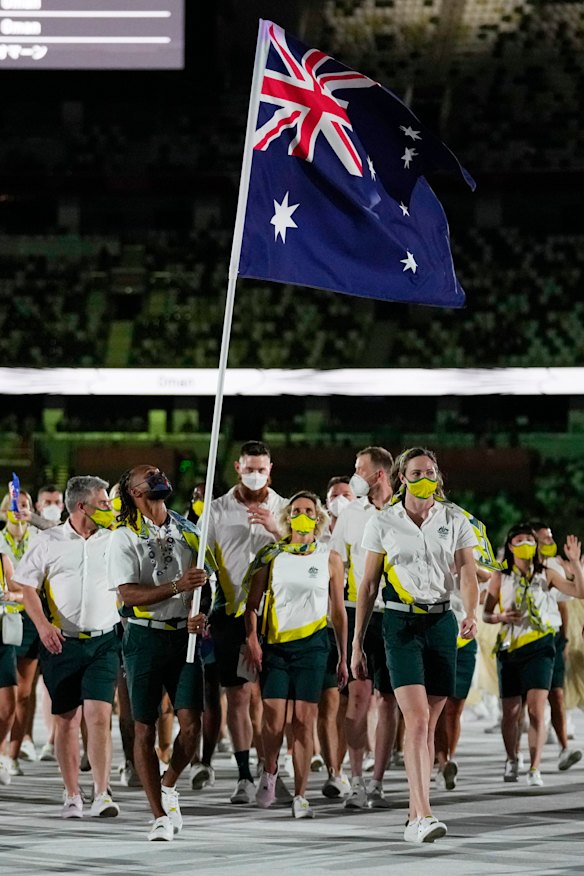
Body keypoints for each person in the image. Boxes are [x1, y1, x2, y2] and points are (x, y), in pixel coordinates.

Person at [353, 447, 480, 844]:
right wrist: (356, 642)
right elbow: (368, 585)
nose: (424, 478)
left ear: (437, 476)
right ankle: (423, 814)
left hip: (442, 622)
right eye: (416, 472)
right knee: (418, 719)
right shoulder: (382, 523)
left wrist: (471, 611)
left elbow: (468, 573)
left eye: (430, 472)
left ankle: (414, 812)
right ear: (401, 477)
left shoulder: (455, 518)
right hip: (400, 622)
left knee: (429, 724)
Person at [108, 465, 210, 842]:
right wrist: (175, 586)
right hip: (144, 639)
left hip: (184, 637)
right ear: (133, 491)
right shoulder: (123, 536)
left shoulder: (188, 529)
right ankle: (158, 817)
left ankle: (169, 785)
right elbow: (128, 594)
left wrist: (203, 614)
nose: (158, 475)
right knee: (144, 726)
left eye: (159, 471)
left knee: (192, 726)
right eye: (148, 474)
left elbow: (204, 584)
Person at [14, 476, 121, 819]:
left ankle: (102, 793)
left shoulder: (114, 538)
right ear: (81, 506)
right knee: (67, 721)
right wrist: (43, 626)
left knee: (99, 715)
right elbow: (26, 584)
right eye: (103, 503)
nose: (109, 508)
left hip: (105, 639)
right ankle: (73, 793)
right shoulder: (50, 541)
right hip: (62, 643)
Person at [243, 491, 348, 818]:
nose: (303, 515)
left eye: (309, 510)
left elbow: (339, 611)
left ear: (318, 517)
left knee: (304, 721)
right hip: (276, 648)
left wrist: (344, 655)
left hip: (314, 645)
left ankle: (301, 795)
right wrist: (253, 641)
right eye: (297, 510)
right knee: (274, 720)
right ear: (288, 516)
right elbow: (251, 607)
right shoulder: (271, 554)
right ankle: (270, 769)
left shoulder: (329, 558)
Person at [207, 440, 288, 804]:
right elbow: (199, 565)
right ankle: (243, 774)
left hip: (278, 617)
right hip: (231, 613)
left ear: (271, 470)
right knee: (237, 696)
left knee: (270, 700)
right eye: (250, 468)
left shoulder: (285, 508)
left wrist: (277, 529)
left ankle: (269, 770)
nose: (256, 475)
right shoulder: (216, 511)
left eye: (262, 469)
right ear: (237, 468)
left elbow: (308, 551)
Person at [484, 524, 584, 786]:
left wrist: (574, 563)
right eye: (521, 539)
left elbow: (579, 592)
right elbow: (486, 613)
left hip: (541, 647)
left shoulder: (547, 574)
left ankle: (535, 767)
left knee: (537, 710)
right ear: (510, 545)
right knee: (511, 713)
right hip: (509, 648)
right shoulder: (500, 577)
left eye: (530, 539)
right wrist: (500, 616)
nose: (527, 543)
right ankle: (511, 758)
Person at [330, 447, 398, 810]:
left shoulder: (405, 512)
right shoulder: (350, 514)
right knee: (357, 699)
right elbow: (337, 566)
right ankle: (355, 779)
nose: (354, 474)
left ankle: (377, 781)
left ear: (380, 474)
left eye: (359, 469)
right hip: (360, 612)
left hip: (397, 613)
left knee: (388, 701)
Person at [531, 521, 582, 771]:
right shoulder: (516, 569)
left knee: (557, 695)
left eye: (551, 538)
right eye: (544, 539)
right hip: (523, 642)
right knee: (523, 705)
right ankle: (519, 758)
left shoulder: (552, 568)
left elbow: (569, 599)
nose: (550, 543)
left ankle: (563, 748)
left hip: (551, 640)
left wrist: (564, 638)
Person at [317, 476, 355, 798]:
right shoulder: (319, 534)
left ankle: (347, 765)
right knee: (329, 701)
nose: (340, 499)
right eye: (334, 495)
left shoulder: (367, 526)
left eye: (346, 494)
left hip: (359, 618)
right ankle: (334, 769)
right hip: (324, 624)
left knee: (352, 703)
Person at [0, 489, 40, 773]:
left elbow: (35, 581)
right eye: (14, 505)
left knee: (25, 692)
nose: (19, 510)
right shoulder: (1, 540)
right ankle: (3, 751)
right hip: (5, 622)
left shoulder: (38, 539)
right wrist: (19, 591)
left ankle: (12, 755)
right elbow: (18, 584)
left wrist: (18, 592)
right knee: (7, 695)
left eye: (24, 505)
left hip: (31, 619)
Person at [0, 550, 16, 785]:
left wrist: (10, 595)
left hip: (1, 638)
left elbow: (23, 592)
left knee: (7, 708)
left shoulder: (2, 560)